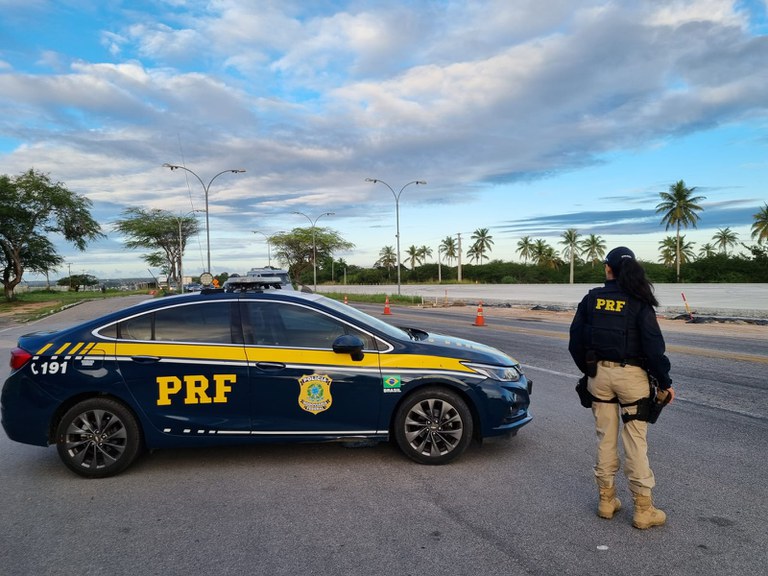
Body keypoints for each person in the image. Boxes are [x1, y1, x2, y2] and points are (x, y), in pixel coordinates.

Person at [568, 246, 674, 529]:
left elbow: (575, 341)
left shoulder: (592, 299)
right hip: (632, 378)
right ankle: (643, 509)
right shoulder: (640, 302)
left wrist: (590, 371)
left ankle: (606, 500)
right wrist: (665, 383)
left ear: (608, 269)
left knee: (605, 438)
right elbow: (654, 349)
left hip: (599, 376)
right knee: (636, 442)